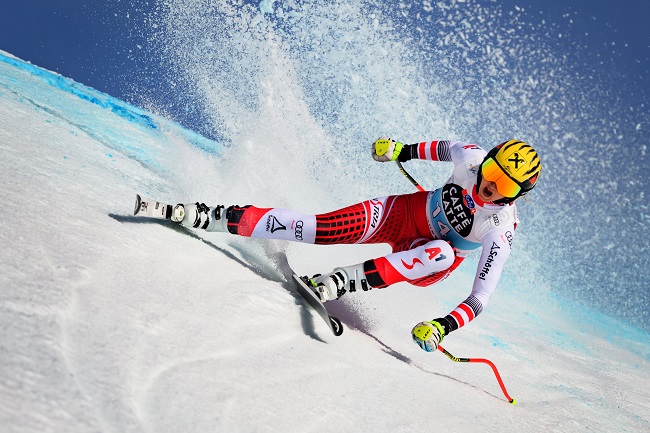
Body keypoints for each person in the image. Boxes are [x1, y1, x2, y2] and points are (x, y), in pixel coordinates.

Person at [170, 138, 542, 352]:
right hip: (404, 213)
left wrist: (443, 326)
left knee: (442, 252)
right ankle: (220, 215)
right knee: (318, 227)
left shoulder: (501, 229)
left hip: (430, 260)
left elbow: (480, 297)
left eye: (506, 187)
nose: (491, 186)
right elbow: (444, 147)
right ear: (487, 160)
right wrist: (400, 150)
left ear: (517, 197)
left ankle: (338, 281)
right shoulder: (472, 158)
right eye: (492, 173)